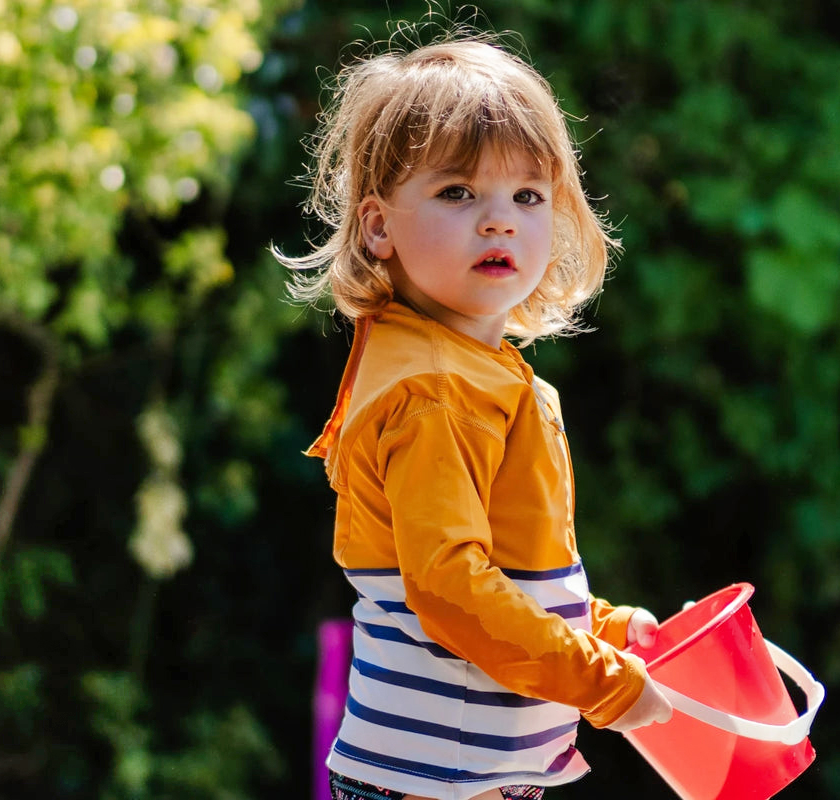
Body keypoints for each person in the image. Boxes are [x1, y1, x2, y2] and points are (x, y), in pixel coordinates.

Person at [276, 24, 674, 800]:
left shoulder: (474, 371)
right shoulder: (433, 393)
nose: (499, 219)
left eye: (527, 195)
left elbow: (506, 581)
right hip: (438, 782)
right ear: (378, 225)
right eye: (458, 192)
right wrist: (602, 682)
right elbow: (451, 590)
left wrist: (603, 628)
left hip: (464, 777)